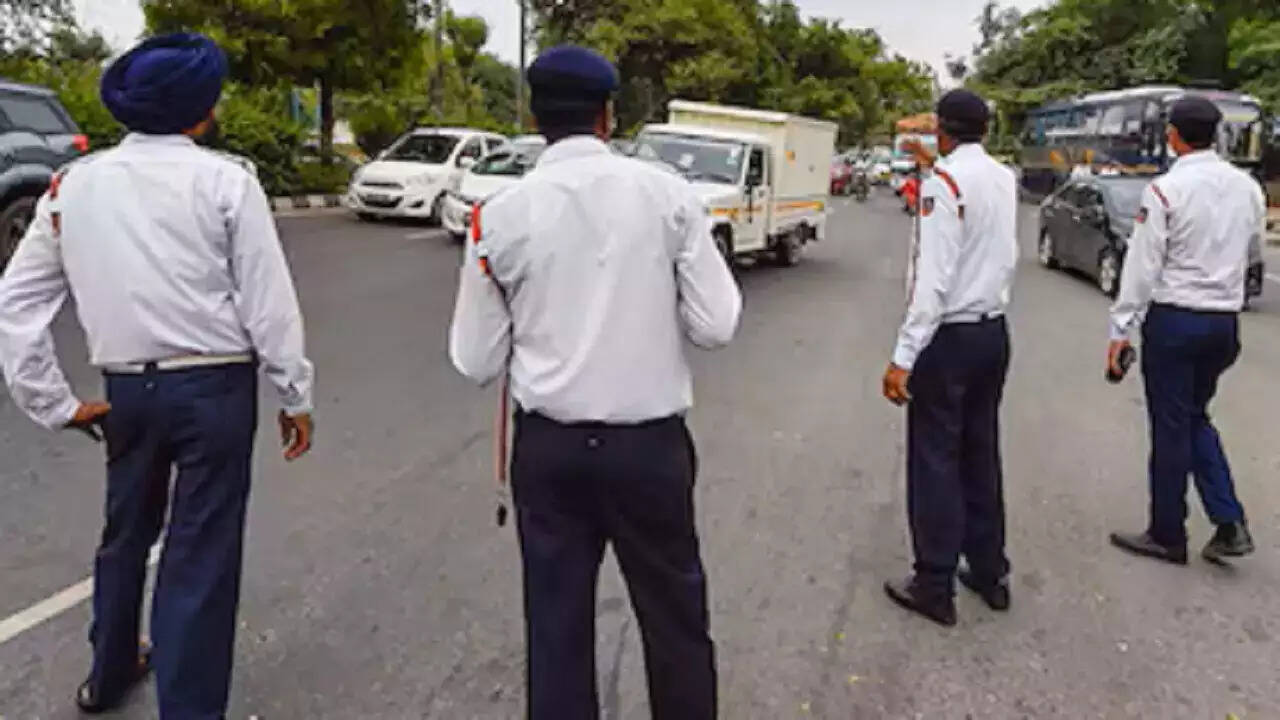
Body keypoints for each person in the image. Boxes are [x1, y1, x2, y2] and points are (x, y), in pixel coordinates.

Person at [0, 33, 315, 717]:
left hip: (128, 391)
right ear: (199, 113)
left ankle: (110, 670)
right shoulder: (227, 182)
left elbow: (15, 302)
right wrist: (295, 393)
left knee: (126, 532)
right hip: (214, 389)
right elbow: (268, 303)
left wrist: (54, 402)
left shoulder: (73, 186)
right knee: (199, 555)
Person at [448, 46, 740, 720]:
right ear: (607, 116)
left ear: (535, 118)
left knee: (556, 628)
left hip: (550, 453)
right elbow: (716, 325)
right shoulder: (670, 197)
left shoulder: (499, 215)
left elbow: (476, 359)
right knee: (674, 619)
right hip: (649, 450)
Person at [880, 89, 1018, 627]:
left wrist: (903, 355)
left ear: (942, 129)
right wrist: (930, 164)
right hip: (992, 331)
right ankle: (988, 570)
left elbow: (932, 281)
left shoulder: (943, 184)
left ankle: (934, 583)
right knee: (980, 451)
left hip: (949, 339)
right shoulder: (1002, 178)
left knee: (935, 457)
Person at [1107, 95, 1263, 565]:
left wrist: (1120, 329)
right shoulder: (1248, 188)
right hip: (1223, 324)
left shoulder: (1165, 191)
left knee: (1171, 427)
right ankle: (1229, 522)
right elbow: (1252, 249)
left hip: (1176, 320)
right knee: (1193, 416)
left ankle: (1167, 533)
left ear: (1173, 136)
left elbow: (1142, 266)